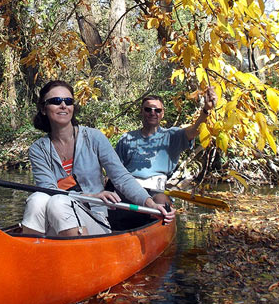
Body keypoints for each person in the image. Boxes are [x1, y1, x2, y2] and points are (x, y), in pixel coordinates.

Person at [21, 80, 175, 237]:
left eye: (68, 101)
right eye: (55, 101)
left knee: (59, 202)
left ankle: (79, 253)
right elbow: (48, 190)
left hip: (94, 218)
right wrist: (91, 196)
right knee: (37, 198)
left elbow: (122, 178)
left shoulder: (94, 137)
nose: (63, 106)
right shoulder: (38, 149)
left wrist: (150, 203)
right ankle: (31, 251)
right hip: (54, 220)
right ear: (43, 109)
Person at [114, 87, 217, 205]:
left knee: (161, 200)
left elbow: (195, 130)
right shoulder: (126, 139)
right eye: (148, 109)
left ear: (162, 114)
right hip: (128, 190)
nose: (152, 113)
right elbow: (115, 170)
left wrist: (206, 110)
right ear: (141, 111)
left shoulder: (172, 136)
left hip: (156, 192)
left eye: (157, 110)